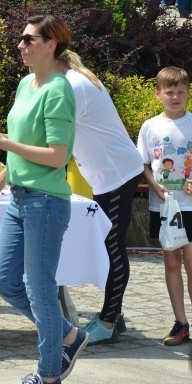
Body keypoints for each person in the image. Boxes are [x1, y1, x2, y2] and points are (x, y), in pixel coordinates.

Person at [0, 15, 86, 384]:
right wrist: (5, 174)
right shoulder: (26, 83)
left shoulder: (59, 89)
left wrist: (1, 143)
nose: (20, 46)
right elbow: (27, 143)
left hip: (46, 203)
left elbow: (56, 155)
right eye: (21, 40)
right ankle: (68, 333)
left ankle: (48, 374)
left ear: (51, 44)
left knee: (40, 290)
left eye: (28, 40)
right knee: (4, 281)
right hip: (21, 198)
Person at [55, 50, 142, 343]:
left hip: (116, 173)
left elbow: (55, 137)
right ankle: (113, 315)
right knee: (110, 244)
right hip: (110, 174)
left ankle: (107, 322)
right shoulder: (73, 80)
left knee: (112, 245)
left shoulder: (74, 85)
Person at [138, 66, 192, 346]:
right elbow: (145, 165)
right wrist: (154, 186)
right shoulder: (150, 126)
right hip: (163, 206)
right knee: (171, 261)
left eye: (181, 92)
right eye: (169, 92)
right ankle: (180, 322)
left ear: (188, 94)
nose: (175, 97)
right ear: (158, 94)